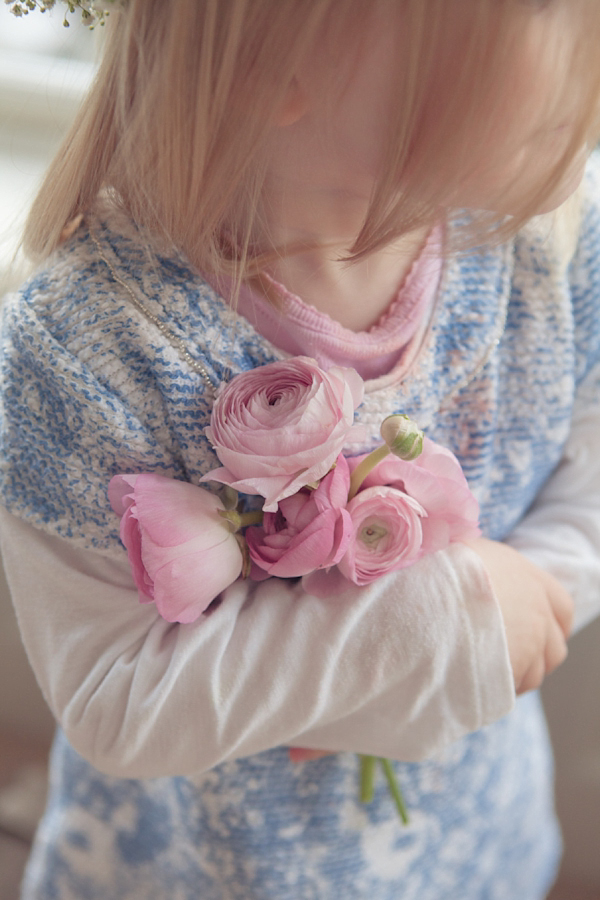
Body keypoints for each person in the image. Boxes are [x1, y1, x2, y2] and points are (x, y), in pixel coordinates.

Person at [1, 0, 600, 897]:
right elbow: (114, 700)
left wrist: (509, 610)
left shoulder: (549, 245)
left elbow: (584, 489)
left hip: (476, 846)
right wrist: (429, 630)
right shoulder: (87, 347)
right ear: (269, 63)